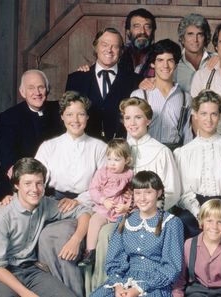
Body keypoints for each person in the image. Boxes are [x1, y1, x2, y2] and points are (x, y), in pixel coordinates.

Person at [88, 97, 181, 292]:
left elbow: (173, 191)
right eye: (127, 118)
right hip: (113, 211)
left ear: (148, 120)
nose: (132, 123)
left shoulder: (161, 151)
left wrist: (138, 209)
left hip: (146, 215)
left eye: (138, 117)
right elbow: (100, 183)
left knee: (108, 234)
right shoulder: (116, 149)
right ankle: (106, 286)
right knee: (98, 227)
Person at [0, 157, 90, 297]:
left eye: (39, 183)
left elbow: (84, 212)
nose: (34, 189)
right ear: (16, 185)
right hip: (2, 274)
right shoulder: (1, 218)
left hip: (32, 271)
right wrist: (26, 293)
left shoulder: (45, 204)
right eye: (27, 183)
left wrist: (76, 239)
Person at [34, 90, 107, 296]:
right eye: (69, 114)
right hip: (54, 203)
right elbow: (35, 180)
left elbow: (103, 185)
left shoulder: (99, 148)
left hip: (87, 204)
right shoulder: (49, 146)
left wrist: (79, 201)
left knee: (59, 236)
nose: (75, 119)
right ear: (62, 117)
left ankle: (74, 293)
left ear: (87, 117)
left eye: (80, 114)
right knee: (43, 237)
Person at [91, 170, 184, 297]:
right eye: (138, 193)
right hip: (124, 281)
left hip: (154, 285)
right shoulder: (124, 221)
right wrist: (118, 286)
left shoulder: (171, 223)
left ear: (159, 193)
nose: (142, 198)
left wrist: (138, 289)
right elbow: (114, 261)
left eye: (148, 192)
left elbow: (171, 268)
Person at [174, 90, 221, 250]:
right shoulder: (183, 153)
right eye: (204, 113)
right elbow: (184, 192)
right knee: (182, 222)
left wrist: (220, 214)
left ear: (219, 116)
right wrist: (199, 213)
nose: (209, 119)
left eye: (213, 114)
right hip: (194, 209)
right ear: (196, 115)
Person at [0, 69, 62, 199]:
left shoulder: (60, 110)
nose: (37, 92)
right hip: (21, 175)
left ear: (47, 89)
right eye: (31, 88)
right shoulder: (9, 117)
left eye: (41, 87)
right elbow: (5, 150)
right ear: (22, 92)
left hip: (53, 178)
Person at [65, 27, 142, 140]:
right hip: (85, 148)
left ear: (121, 51)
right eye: (104, 45)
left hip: (121, 150)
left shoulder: (135, 80)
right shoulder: (76, 79)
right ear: (95, 47)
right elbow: (67, 116)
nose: (109, 50)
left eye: (115, 46)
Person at [172, 199, 221, 297]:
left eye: (220, 222)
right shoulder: (189, 245)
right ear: (201, 223)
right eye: (209, 221)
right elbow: (179, 280)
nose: (214, 226)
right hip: (196, 292)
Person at [79, 138, 134, 267]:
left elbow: (134, 194)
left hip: (120, 211)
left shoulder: (130, 174)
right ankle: (90, 252)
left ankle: (123, 259)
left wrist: (126, 206)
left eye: (117, 160)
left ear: (126, 160)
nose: (112, 164)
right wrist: (103, 200)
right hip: (104, 209)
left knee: (124, 229)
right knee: (94, 222)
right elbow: (93, 189)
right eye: (109, 159)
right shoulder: (102, 172)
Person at [131, 39, 192, 149]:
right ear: (153, 64)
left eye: (170, 60)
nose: (165, 65)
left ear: (176, 64)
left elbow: (187, 134)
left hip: (175, 153)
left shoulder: (185, 98)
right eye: (160, 60)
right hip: (146, 152)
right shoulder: (140, 95)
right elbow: (131, 132)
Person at [175, 13, 215, 93]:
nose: (195, 40)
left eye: (199, 35)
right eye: (190, 34)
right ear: (182, 38)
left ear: (205, 37)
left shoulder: (217, 59)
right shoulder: (174, 63)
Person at [121, 8, 157, 77]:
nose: (142, 31)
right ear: (128, 32)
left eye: (147, 27)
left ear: (153, 32)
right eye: (137, 26)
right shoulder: (119, 54)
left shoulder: (160, 56)